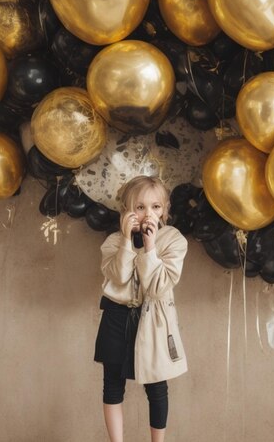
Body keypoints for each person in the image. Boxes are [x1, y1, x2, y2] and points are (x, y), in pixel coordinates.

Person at [94, 175, 188, 442]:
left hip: (153, 319)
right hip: (116, 316)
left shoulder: (173, 240)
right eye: (140, 207)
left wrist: (150, 248)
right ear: (127, 210)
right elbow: (118, 277)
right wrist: (126, 241)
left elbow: (158, 286)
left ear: (165, 210)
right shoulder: (113, 241)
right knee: (112, 385)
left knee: (156, 386)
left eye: (156, 207)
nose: (148, 214)